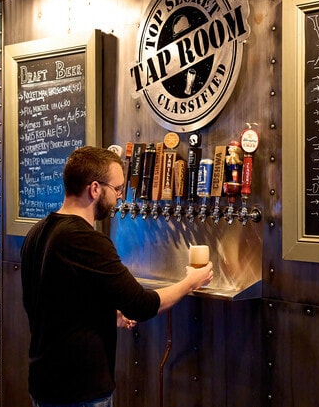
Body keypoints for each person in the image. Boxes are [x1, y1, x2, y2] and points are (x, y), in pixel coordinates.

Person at [20, 146, 213, 407]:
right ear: (95, 189)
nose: (120, 198)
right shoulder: (85, 239)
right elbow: (142, 305)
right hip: (79, 391)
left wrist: (108, 316)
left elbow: (51, 305)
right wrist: (192, 281)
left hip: (44, 383)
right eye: (118, 189)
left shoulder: (38, 232)